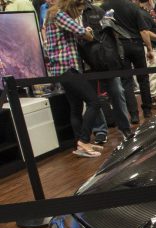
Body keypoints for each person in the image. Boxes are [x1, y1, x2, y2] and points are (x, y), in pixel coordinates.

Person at [44, 0, 104, 157]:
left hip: (64, 69)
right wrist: (87, 32)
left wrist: (84, 31)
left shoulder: (53, 15)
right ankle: (84, 140)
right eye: (79, 9)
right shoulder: (59, 14)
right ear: (71, 5)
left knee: (76, 107)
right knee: (94, 102)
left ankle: (80, 144)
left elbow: (69, 38)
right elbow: (84, 34)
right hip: (67, 68)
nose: (80, 13)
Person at [80, 0, 133, 142]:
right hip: (82, 63)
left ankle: (124, 128)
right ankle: (100, 130)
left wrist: (116, 57)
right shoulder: (68, 15)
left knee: (117, 92)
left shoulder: (97, 11)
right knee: (92, 99)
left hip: (103, 60)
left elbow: (111, 36)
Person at [102, 0, 155, 123]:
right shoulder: (133, 6)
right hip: (136, 45)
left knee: (127, 82)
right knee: (143, 78)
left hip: (119, 47)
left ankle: (134, 114)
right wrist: (149, 48)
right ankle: (147, 110)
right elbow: (143, 31)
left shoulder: (104, 7)